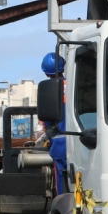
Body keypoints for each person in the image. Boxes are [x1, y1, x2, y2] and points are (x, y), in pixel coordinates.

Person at [40, 52, 67, 195]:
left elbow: (46, 125)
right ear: (63, 68)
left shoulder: (47, 90)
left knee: (64, 193)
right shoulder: (77, 84)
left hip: (60, 148)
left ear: (45, 73)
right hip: (85, 145)